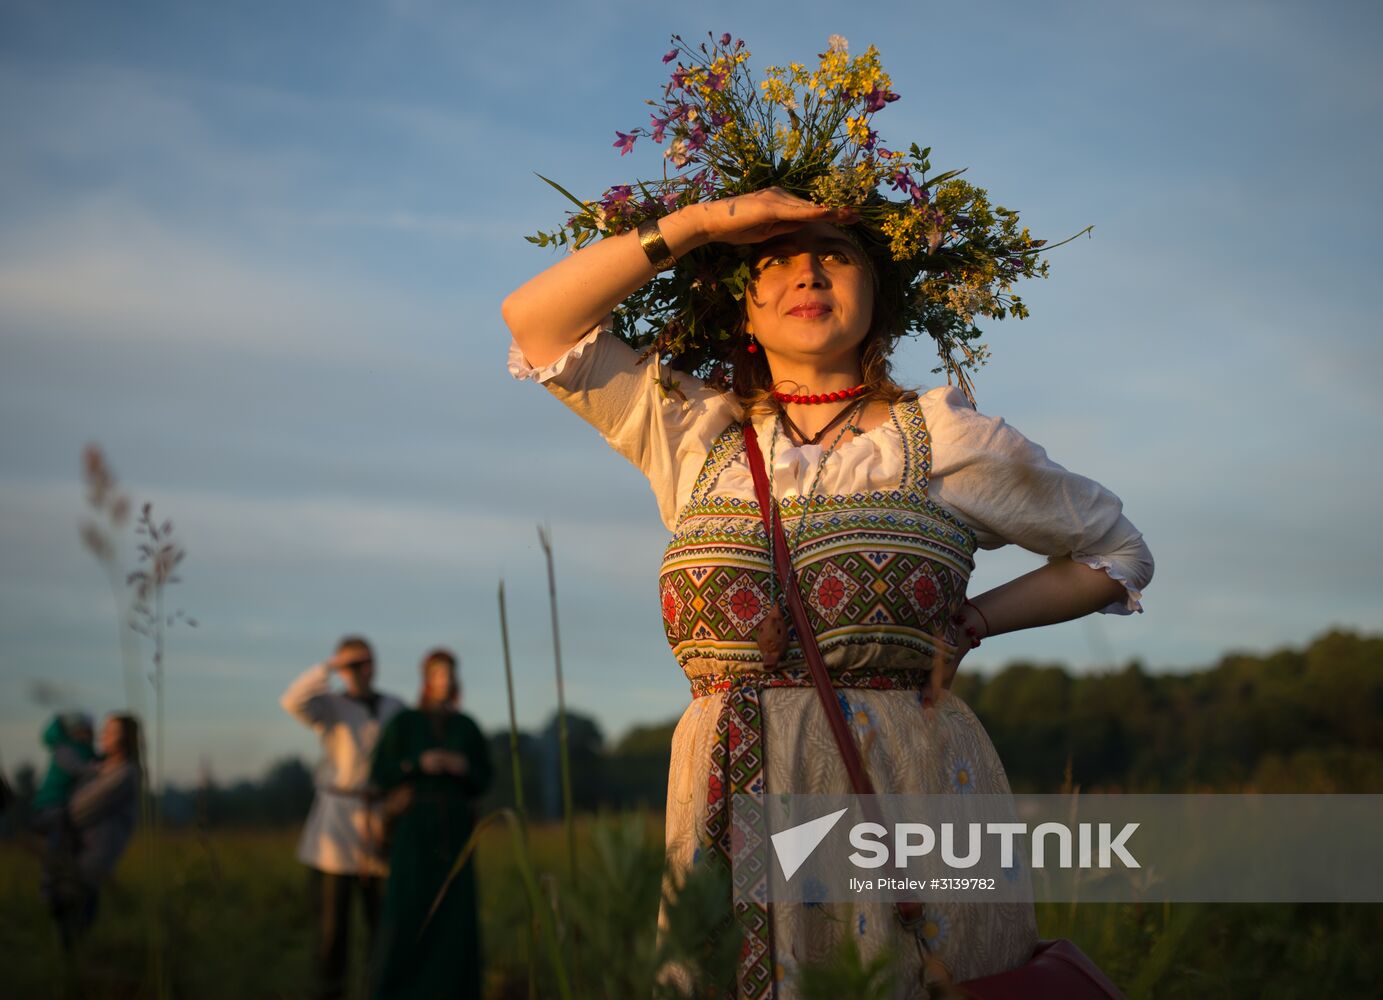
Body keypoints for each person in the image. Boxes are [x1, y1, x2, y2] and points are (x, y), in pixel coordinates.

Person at [501, 36, 1153, 999]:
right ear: (742, 306)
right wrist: (702, 223)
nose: (807, 272)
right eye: (776, 260)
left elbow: (1116, 554)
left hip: (911, 780)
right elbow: (537, 324)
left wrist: (974, 620)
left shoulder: (948, 437)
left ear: (875, 298)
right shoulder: (690, 430)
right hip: (727, 788)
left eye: (835, 256)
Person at [282, 636, 404, 1000]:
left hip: (381, 820)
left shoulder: (394, 706)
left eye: (366, 662)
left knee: (383, 927)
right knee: (332, 933)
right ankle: (330, 993)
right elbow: (292, 701)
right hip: (336, 825)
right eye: (354, 663)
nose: (362, 669)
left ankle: (381, 991)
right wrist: (331, 667)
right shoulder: (330, 706)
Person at [368, 648, 493, 999]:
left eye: (449, 673)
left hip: (454, 829)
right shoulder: (405, 724)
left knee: (456, 913)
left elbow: (484, 776)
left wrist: (463, 767)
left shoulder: (465, 726)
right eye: (437, 674)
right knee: (408, 909)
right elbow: (381, 772)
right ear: (426, 678)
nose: (444, 680)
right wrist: (417, 763)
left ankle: (455, 989)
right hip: (413, 828)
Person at [42, 713, 141, 950]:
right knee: (67, 937)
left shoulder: (124, 774)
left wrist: (57, 804)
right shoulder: (101, 768)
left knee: (74, 938)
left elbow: (77, 810)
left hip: (88, 866)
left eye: (110, 731)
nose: (102, 735)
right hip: (73, 862)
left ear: (125, 738)